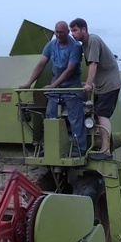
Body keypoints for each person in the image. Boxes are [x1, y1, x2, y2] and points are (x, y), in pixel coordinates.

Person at [20, 21, 87, 155]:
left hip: (72, 88)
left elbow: (69, 70)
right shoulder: (50, 45)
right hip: (55, 88)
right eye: (56, 32)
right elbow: (41, 65)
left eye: (61, 32)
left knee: (76, 119)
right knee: (50, 117)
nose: (58, 35)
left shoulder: (75, 47)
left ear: (67, 32)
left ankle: (79, 150)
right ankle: (49, 148)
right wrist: (29, 83)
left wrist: (53, 85)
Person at [69, 18, 121, 160]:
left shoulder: (93, 40)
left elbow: (93, 64)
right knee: (95, 114)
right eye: (71, 30)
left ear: (83, 29)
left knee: (102, 115)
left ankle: (105, 151)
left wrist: (88, 84)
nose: (72, 34)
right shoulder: (85, 44)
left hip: (109, 84)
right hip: (101, 85)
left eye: (75, 30)